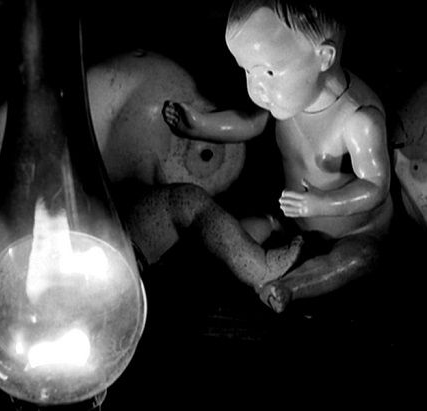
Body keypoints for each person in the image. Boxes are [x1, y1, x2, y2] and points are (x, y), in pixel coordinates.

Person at [129, 0, 393, 313]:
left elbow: (375, 187)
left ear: (324, 57)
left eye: (269, 71)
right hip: (289, 219)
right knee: (231, 234)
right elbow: (251, 122)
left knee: (360, 258)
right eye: (247, 71)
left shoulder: (359, 120)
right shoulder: (291, 96)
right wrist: (199, 125)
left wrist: (322, 203)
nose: (257, 88)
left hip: (354, 230)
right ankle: (177, 263)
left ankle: (291, 287)